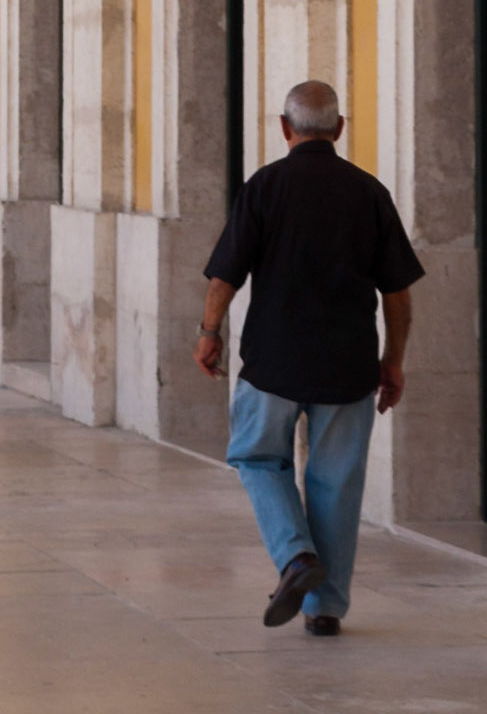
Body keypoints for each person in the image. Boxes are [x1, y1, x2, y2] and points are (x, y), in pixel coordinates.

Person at [195, 80, 424, 637]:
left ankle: (295, 555)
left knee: (256, 458)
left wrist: (209, 331)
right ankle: (326, 610)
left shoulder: (265, 186)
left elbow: (227, 273)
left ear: (284, 127)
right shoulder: (369, 192)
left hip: (274, 360)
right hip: (348, 363)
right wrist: (392, 361)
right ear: (339, 129)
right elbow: (397, 296)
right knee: (336, 483)